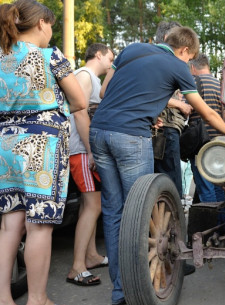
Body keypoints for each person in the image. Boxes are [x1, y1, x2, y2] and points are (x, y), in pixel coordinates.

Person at [90, 26, 225, 305]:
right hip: (130, 137)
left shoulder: (131, 49)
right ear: (185, 51)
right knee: (140, 216)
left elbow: (106, 91)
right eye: (189, 59)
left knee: (114, 211)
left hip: (99, 132)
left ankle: (119, 291)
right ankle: (137, 290)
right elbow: (205, 112)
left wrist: (147, 109)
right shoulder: (178, 66)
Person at [0, 1, 86, 305]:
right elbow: (79, 101)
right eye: (50, 25)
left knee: (11, 224)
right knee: (39, 224)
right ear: (40, 24)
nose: (51, 31)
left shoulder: (1, 57)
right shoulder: (51, 56)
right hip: (42, 145)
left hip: (5, 145)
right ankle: (37, 299)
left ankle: (3, 298)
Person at [65, 43, 114, 287]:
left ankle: (91, 255)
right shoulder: (84, 75)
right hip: (82, 150)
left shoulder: (90, 78)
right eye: (110, 58)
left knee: (90, 205)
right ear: (98, 55)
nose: (111, 63)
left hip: (84, 150)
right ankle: (77, 267)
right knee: (92, 206)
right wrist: (91, 149)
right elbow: (79, 113)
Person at [153, 21, 193, 198]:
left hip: (164, 127)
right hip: (164, 128)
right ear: (168, 38)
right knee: (170, 181)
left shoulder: (153, 58)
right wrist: (181, 104)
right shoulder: (161, 61)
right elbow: (151, 93)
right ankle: (174, 222)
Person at [187, 53, 225, 203]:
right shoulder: (221, 86)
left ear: (192, 67)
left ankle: (212, 223)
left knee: (205, 188)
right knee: (218, 186)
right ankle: (223, 224)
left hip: (199, 146)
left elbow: (186, 111)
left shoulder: (192, 85)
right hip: (219, 145)